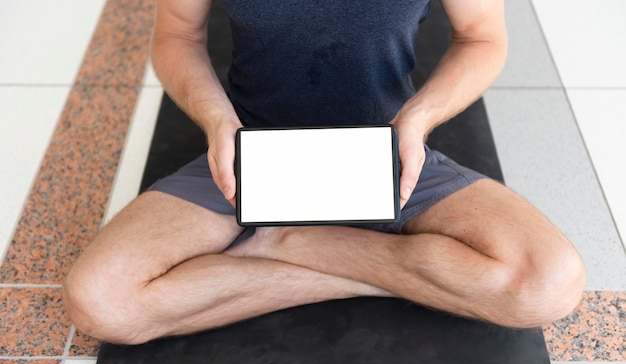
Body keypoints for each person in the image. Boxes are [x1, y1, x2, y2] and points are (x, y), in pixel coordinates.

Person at [63, 0, 585, 345]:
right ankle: (389, 276)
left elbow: (482, 38)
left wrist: (418, 118)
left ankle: (285, 244)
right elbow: (177, 34)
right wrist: (216, 118)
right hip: (254, 153)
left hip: (390, 153)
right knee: (101, 301)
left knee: (547, 285)